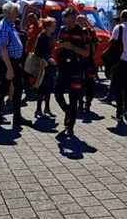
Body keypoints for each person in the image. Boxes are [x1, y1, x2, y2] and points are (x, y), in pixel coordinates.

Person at [0, 3, 32, 128]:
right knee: (4, 88)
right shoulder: (4, 26)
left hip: (14, 61)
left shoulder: (10, 25)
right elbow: (3, 48)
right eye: (16, 11)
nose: (18, 13)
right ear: (8, 12)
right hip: (8, 62)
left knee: (18, 88)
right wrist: (9, 67)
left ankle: (17, 116)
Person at [54, 8, 88, 137]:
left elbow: (87, 52)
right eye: (66, 21)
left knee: (73, 99)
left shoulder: (82, 31)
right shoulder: (62, 30)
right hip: (63, 67)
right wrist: (59, 48)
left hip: (76, 68)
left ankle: (70, 126)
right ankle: (69, 113)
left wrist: (72, 47)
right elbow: (58, 48)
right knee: (57, 94)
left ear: (75, 18)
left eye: (71, 21)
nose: (69, 24)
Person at [33, 17, 56, 118]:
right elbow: (37, 52)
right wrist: (48, 58)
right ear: (47, 27)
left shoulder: (49, 36)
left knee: (49, 88)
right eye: (53, 25)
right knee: (42, 88)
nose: (55, 27)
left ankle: (47, 108)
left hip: (48, 66)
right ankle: (38, 109)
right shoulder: (42, 37)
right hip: (42, 66)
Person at [79, 18, 99, 113]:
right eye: (78, 21)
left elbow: (97, 43)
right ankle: (80, 102)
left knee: (90, 82)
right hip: (79, 60)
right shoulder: (77, 31)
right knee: (78, 81)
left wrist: (94, 53)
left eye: (81, 21)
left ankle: (88, 103)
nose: (80, 22)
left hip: (89, 60)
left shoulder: (90, 31)